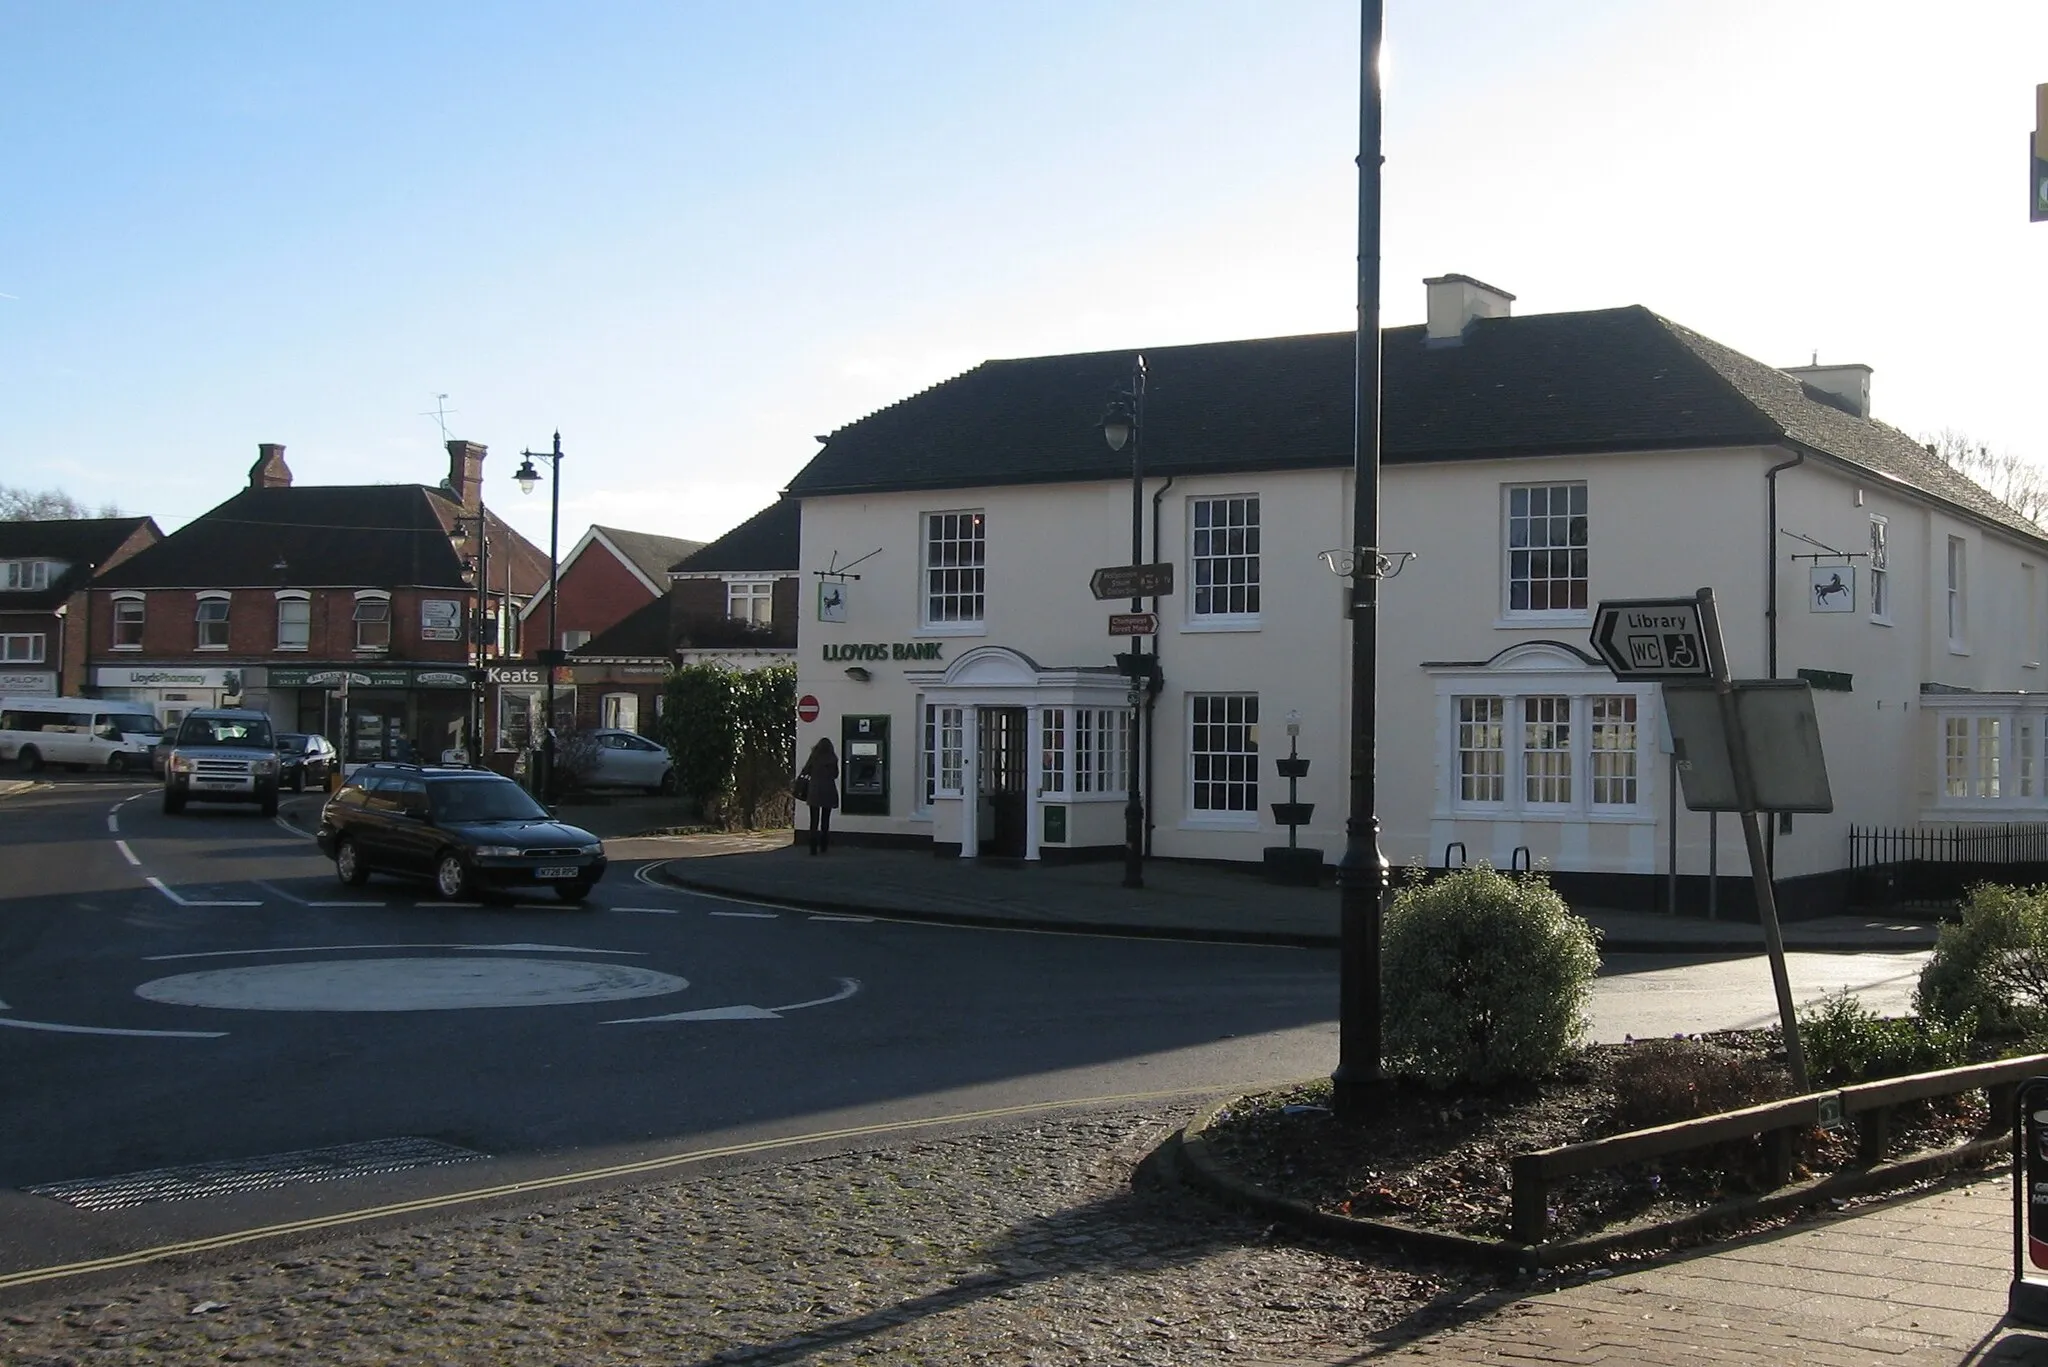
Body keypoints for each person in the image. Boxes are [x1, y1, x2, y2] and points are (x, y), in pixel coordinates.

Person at [798, 737, 840, 855]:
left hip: (814, 790)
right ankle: (824, 846)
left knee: (814, 821)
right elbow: (835, 774)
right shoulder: (833, 758)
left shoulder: (814, 757)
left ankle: (812, 848)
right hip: (828, 790)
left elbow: (806, 771)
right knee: (825, 821)